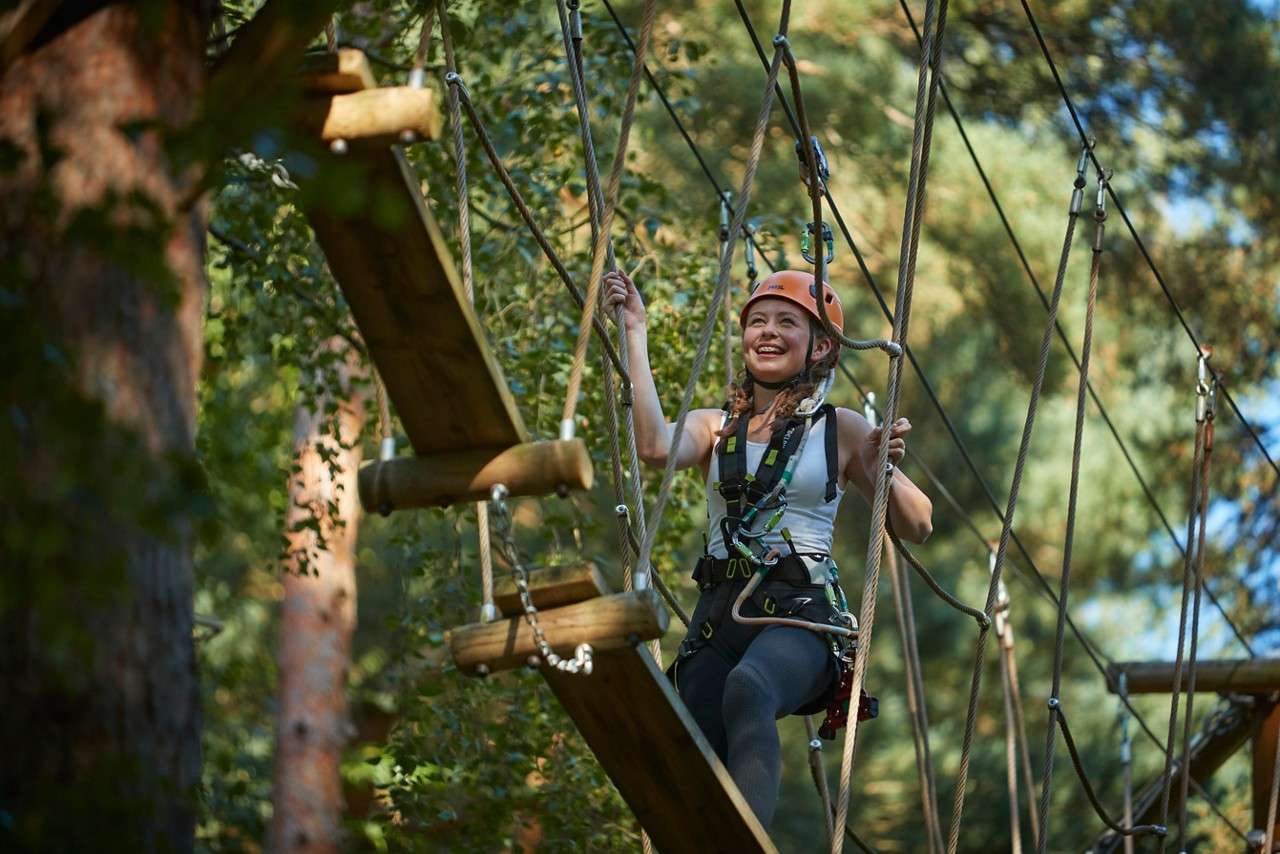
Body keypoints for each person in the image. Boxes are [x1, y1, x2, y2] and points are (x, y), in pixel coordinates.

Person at [604, 267, 933, 829]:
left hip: (800, 619)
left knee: (749, 687)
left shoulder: (841, 429)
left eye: (787, 322)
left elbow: (919, 524)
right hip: (718, 620)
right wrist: (635, 330)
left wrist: (883, 472)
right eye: (758, 321)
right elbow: (656, 447)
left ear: (821, 347)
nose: (769, 332)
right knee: (689, 749)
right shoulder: (717, 427)